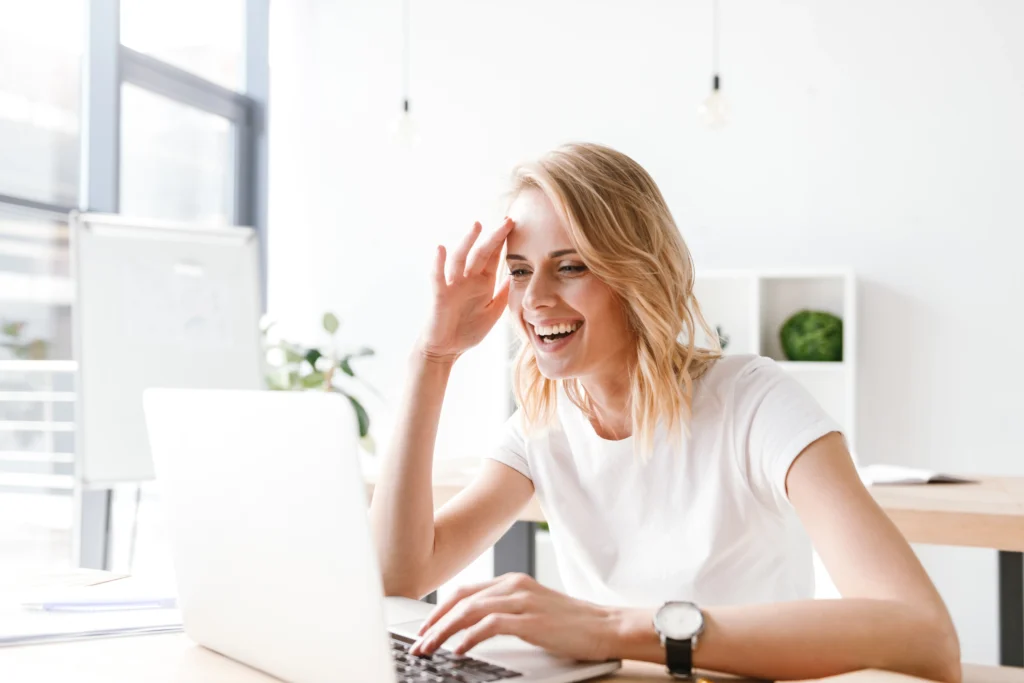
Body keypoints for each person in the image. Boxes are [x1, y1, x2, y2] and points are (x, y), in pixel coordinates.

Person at [369, 143, 959, 683]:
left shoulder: (754, 402)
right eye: (520, 270)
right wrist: (434, 356)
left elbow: (924, 638)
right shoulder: (541, 428)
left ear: (635, 271)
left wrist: (609, 628)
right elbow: (399, 577)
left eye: (570, 266)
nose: (535, 298)